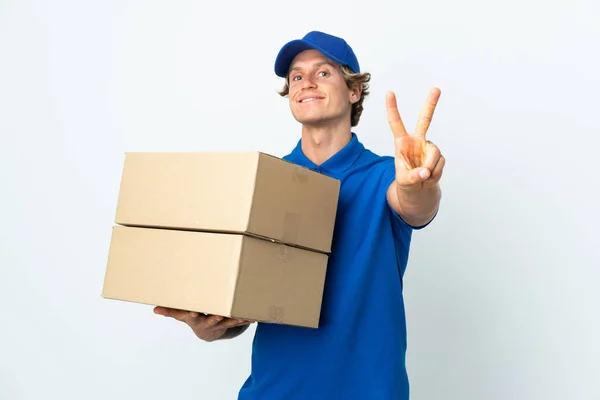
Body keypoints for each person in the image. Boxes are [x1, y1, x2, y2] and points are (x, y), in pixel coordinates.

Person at [154, 30, 445, 399]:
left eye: (323, 73)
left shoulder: (388, 175)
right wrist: (214, 327)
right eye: (296, 76)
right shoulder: (265, 181)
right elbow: (252, 296)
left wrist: (418, 183)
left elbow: (416, 206)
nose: (306, 81)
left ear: (354, 91)